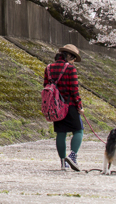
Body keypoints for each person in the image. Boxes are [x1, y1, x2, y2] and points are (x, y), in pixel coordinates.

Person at [44, 43, 84, 171]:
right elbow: (74, 90)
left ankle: (63, 162)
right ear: (69, 56)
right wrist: (80, 106)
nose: (73, 62)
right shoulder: (70, 69)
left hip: (55, 106)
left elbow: (46, 85)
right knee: (78, 130)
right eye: (73, 59)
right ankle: (72, 156)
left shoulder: (49, 68)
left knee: (61, 133)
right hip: (70, 105)